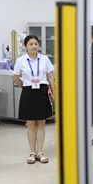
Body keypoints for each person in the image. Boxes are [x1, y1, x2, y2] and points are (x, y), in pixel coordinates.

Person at [13, 35, 55, 165]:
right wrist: (24, 87)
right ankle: (32, 152)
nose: (34, 46)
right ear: (25, 46)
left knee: (41, 123)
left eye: (36, 44)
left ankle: (40, 152)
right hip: (28, 91)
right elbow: (15, 78)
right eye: (31, 44)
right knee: (31, 124)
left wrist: (53, 92)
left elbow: (50, 76)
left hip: (42, 91)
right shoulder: (21, 60)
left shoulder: (44, 59)